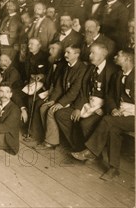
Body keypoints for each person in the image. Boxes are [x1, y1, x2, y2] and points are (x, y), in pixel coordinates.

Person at [71, 50, 134, 180]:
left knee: (107, 120)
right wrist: (113, 109)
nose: (115, 56)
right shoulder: (118, 75)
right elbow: (110, 96)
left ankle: (91, 151)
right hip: (122, 115)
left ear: (127, 59)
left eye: (119, 55)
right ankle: (113, 168)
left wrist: (128, 110)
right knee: (113, 129)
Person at [35, 46, 88, 150]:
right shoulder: (66, 66)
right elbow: (59, 86)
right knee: (43, 107)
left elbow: (75, 91)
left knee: (51, 111)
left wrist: (61, 103)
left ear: (76, 55)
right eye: (65, 52)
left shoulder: (82, 69)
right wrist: (53, 100)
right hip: (64, 98)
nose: (65, 55)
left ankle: (51, 142)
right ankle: (52, 136)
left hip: (75, 101)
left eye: (68, 53)